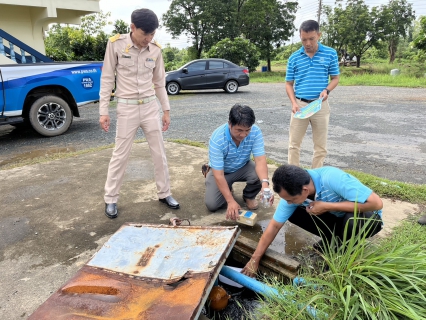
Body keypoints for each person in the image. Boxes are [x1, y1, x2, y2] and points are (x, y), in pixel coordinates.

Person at [99, 8, 179, 219]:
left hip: (150, 107)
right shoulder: (115, 44)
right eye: (145, 34)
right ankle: (111, 199)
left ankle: (165, 193)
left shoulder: (155, 50)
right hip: (126, 107)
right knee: (120, 155)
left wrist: (166, 110)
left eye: (153, 34)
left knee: (159, 153)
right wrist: (103, 111)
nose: (149, 38)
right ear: (133, 28)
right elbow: (107, 78)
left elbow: (160, 83)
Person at [242, 164, 383, 277]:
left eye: (291, 199)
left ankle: (344, 257)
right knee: (294, 213)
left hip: (367, 218)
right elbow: (274, 226)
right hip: (337, 218)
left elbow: (376, 203)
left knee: (351, 221)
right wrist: (255, 259)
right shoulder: (292, 192)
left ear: (304, 190)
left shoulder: (332, 178)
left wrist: (327, 206)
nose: (289, 203)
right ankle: (332, 239)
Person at [286, 20, 340, 168]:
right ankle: (293, 178)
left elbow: (335, 78)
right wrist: (294, 103)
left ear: (319, 35)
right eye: (304, 39)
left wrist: (327, 90)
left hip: (320, 105)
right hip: (300, 105)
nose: (307, 43)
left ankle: (316, 178)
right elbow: (289, 84)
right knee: (293, 145)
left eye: (311, 39)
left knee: (320, 147)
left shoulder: (330, 53)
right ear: (300, 37)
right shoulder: (294, 58)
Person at [205, 104, 273, 220]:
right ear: (230, 124)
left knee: (260, 176)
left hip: (243, 167)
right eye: (239, 130)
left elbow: (260, 160)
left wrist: (265, 186)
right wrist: (230, 201)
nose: (243, 134)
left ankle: (249, 196)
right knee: (212, 205)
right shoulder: (217, 139)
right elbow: (219, 175)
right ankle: (220, 181)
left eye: (247, 130)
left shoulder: (255, 132)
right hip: (222, 172)